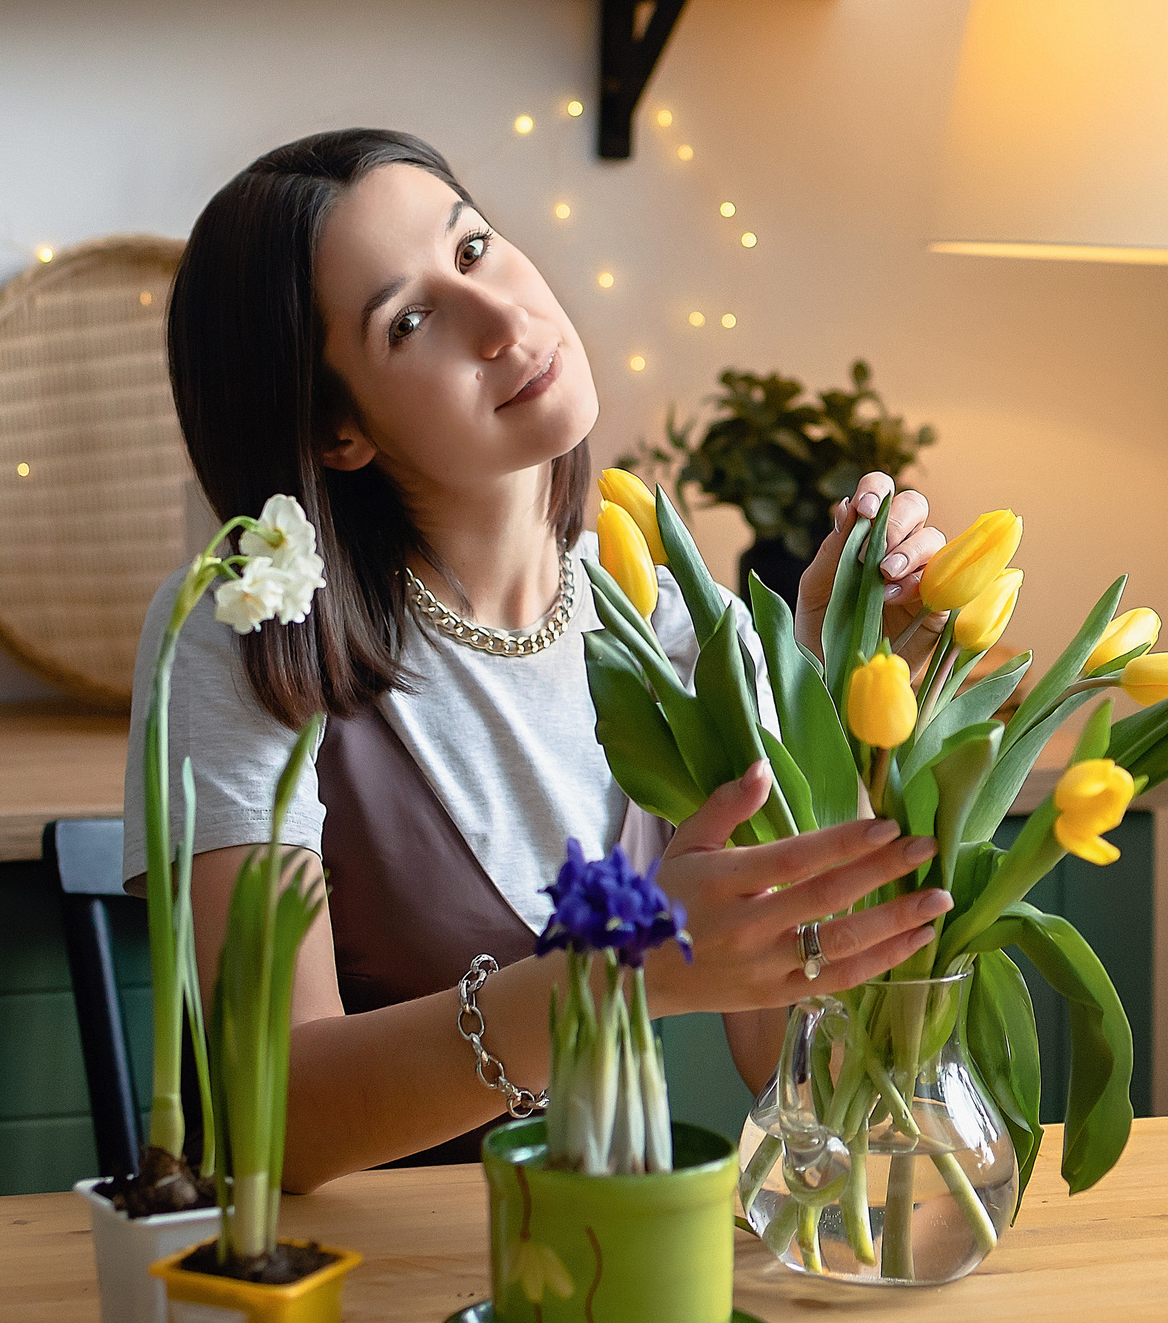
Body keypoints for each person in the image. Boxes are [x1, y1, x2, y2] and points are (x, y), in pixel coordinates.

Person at [124, 129, 953, 1191]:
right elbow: (277, 1114)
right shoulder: (250, 624)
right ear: (338, 431)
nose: (504, 320)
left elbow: (788, 1057)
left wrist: (838, 704)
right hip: (341, 1279)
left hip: (602, 1256)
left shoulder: (665, 612)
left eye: (473, 249)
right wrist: (618, 979)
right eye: (411, 320)